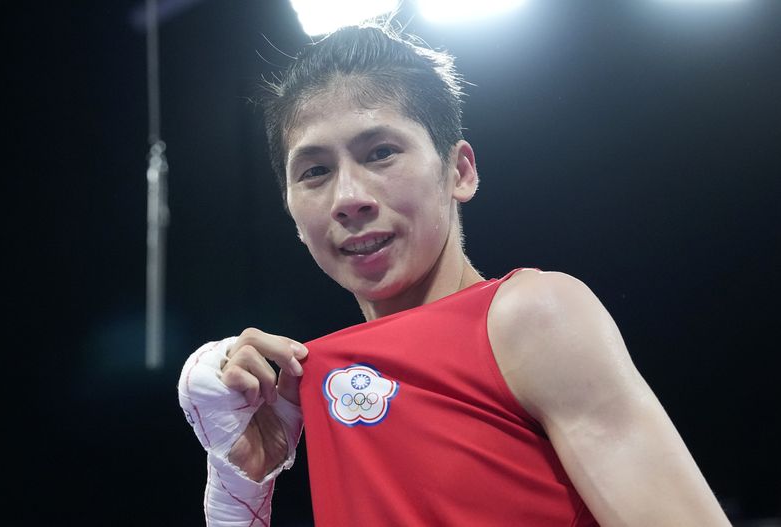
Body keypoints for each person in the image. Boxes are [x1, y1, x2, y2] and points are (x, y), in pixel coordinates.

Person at [178, 24, 731, 526]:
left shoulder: (532, 317)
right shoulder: (317, 386)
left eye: (381, 152)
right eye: (316, 171)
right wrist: (238, 484)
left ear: (459, 171)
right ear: (293, 213)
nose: (348, 198)